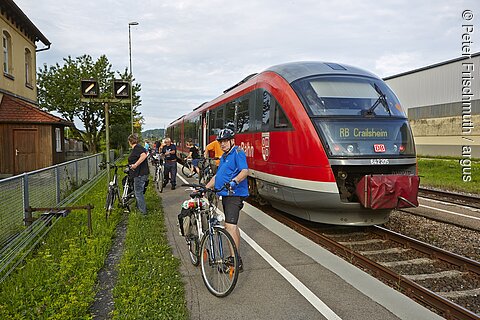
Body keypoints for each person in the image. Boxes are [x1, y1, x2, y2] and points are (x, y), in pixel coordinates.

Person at [205, 128, 249, 271]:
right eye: (220, 142)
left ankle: (234, 261)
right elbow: (217, 177)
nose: (222, 144)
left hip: (234, 194)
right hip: (226, 195)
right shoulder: (224, 157)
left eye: (224, 141)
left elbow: (244, 171)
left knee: (229, 226)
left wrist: (235, 181)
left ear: (232, 141)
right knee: (232, 226)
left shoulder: (237, 152)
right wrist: (205, 188)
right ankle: (236, 258)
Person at [127, 133, 149, 214]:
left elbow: (143, 156)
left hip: (140, 174)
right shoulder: (137, 148)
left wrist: (135, 165)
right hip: (139, 173)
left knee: (138, 192)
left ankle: (143, 212)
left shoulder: (137, 147)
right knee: (138, 191)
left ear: (129, 141)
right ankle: (139, 207)